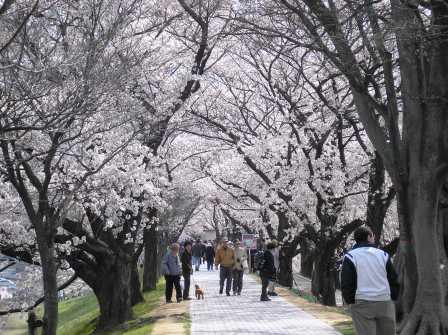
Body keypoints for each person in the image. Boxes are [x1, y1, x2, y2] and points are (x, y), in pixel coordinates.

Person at [341, 226, 399, 335]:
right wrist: (393, 297)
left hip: (362, 301)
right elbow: (393, 278)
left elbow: (347, 282)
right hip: (384, 302)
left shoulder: (350, 256)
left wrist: (350, 301)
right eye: (372, 235)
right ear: (369, 237)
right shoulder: (383, 255)